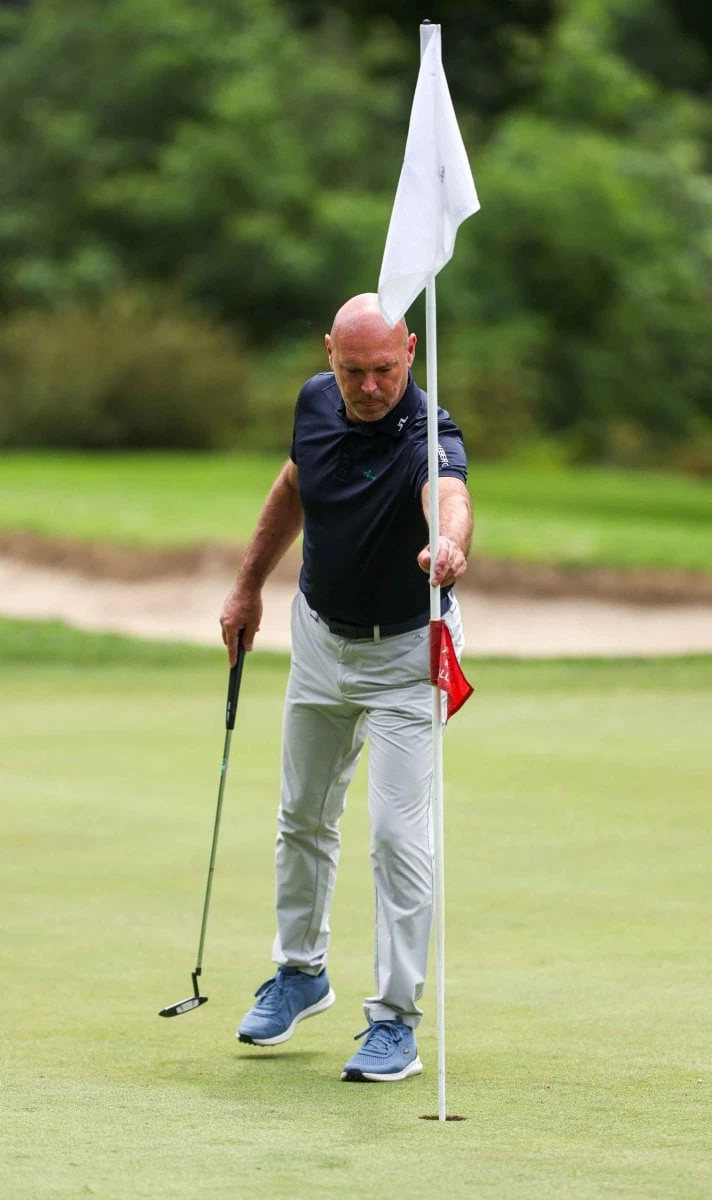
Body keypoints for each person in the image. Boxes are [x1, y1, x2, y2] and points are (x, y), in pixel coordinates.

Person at [219, 293, 472, 1083]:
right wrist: (248, 586)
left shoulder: (431, 432)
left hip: (404, 656)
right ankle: (301, 972)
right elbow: (294, 485)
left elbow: (450, 496)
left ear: (411, 349)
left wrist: (449, 546)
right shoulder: (313, 402)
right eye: (353, 370)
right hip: (321, 640)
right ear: (330, 352)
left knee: (399, 838)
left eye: (385, 370)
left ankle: (395, 1019)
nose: (368, 388)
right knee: (302, 816)